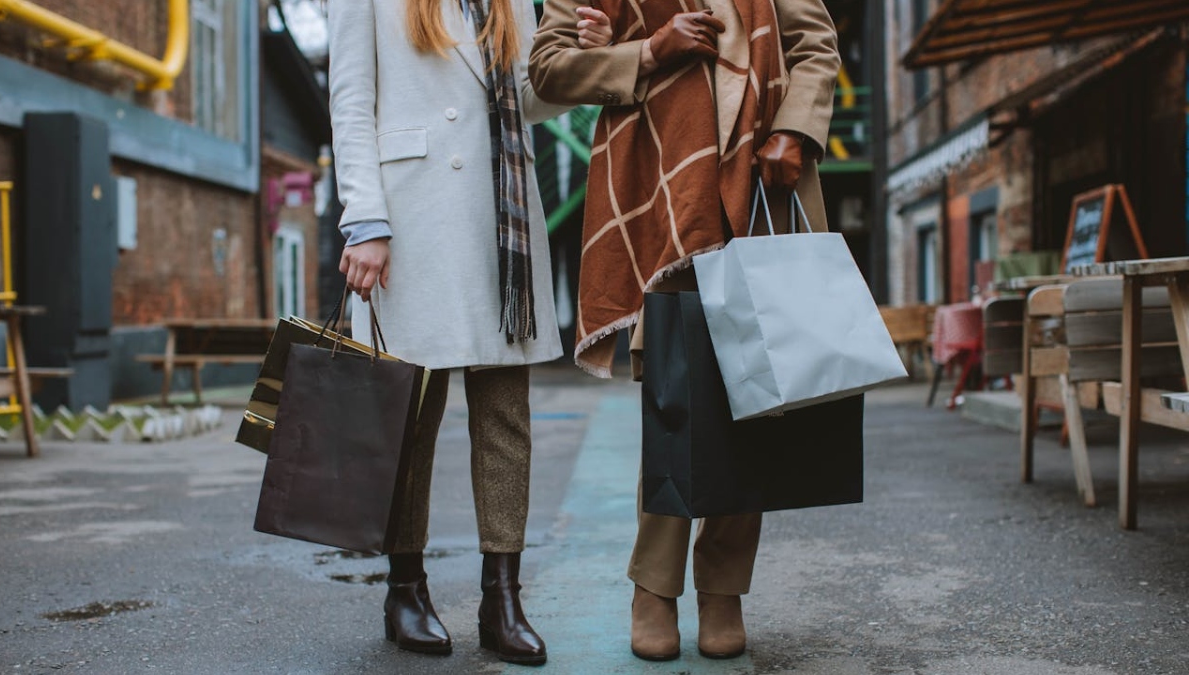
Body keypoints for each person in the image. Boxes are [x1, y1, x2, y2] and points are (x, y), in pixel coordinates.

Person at [529, 0, 840, 661]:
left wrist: (796, 128)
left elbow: (814, 46)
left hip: (760, 184)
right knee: (674, 396)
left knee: (758, 398)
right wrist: (647, 51)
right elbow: (549, 69)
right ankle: (656, 587)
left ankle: (723, 587)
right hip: (661, 200)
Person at [327, 0, 606, 665]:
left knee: (506, 417)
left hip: (496, 221)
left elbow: (529, 97)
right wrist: (364, 219)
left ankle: (501, 598)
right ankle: (405, 589)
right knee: (409, 419)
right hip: (412, 218)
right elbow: (350, 102)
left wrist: (581, 59)